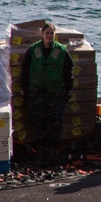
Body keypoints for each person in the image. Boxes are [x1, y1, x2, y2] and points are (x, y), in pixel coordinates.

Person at [20, 22, 74, 162]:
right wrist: (24, 89)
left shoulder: (62, 51)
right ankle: (39, 147)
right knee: (38, 119)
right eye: (47, 33)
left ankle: (53, 147)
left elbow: (68, 72)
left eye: (51, 33)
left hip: (55, 91)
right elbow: (25, 70)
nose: (49, 36)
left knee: (55, 120)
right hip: (36, 91)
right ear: (42, 35)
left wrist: (68, 89)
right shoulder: (33, 50)